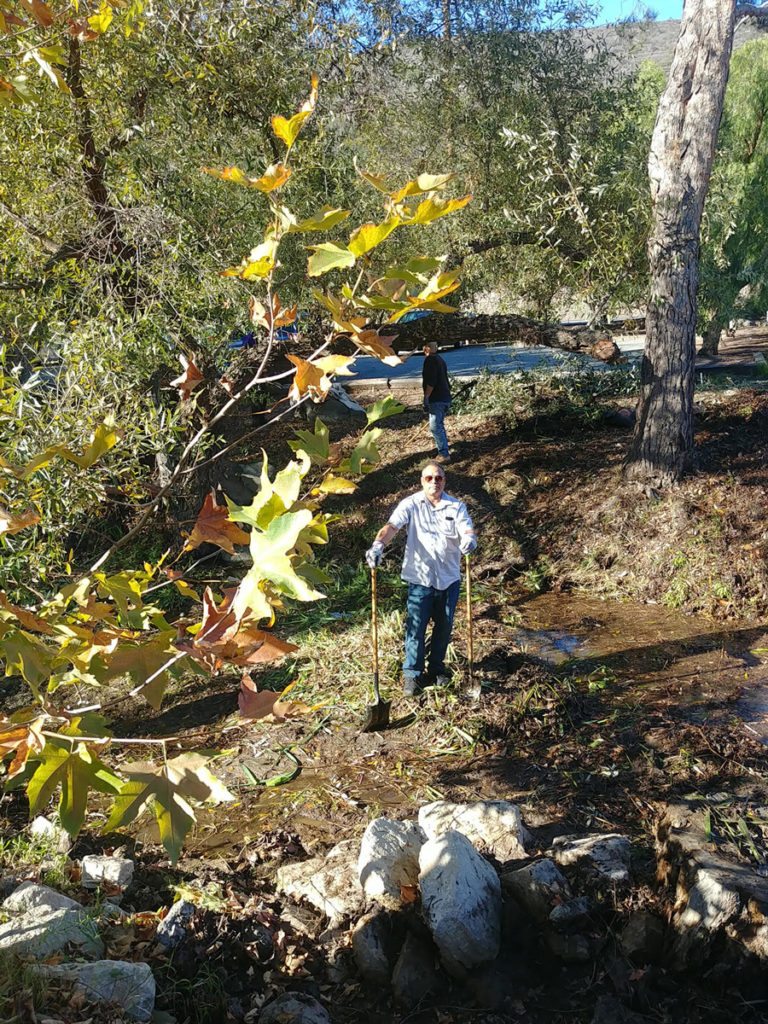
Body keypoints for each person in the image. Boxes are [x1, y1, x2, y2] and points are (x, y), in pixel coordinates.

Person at [365, 461, 476, 695]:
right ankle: (412, 675)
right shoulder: (411, 504)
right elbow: (392, 526)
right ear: (421, 481)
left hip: (448, 579)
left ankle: (436, 670)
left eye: (439, 478)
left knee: (444, 627)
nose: (434, 482)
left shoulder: (456, 507)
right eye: (429, 478)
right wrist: (378, 545)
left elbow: (467, 530)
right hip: (420, 579)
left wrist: (469, 540)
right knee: (415, 628)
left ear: (445, 481)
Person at [422, 341, 451, 461]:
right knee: (438, 424)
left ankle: (444, 454)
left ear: (425, 349)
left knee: (435, 426)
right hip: (445, 396)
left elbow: (431, 382)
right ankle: (443, 448)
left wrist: (426, 398)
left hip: (437, 398)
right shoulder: (439, 359)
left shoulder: (430, 360)